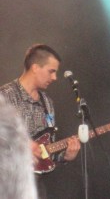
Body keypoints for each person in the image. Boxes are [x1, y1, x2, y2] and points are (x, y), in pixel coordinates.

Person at [0, 44, 81, 199]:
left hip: (36, 185)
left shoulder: (47, 102)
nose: (55, 78)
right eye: (51, 71)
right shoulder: (5, 95)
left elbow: (47, 148)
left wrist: (65, 156)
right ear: (35, 67)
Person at [0, 97, 38, 199]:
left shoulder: (47, 102)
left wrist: (62, 157)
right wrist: (21, 144)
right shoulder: (8, 95)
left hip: (33, 180)